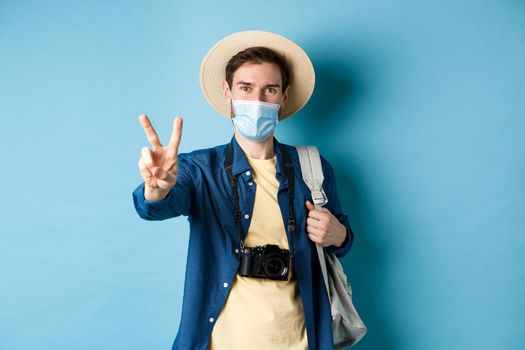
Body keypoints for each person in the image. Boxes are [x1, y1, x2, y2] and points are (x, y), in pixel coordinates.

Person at [132, 30, 355, 350]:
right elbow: (155, 205)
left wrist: (338, 235)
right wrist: (157, 188)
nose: (257, 101)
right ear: (228, 91)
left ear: (284, 95)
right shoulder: (198, 169)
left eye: (270, 90)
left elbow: (344, 238)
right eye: (246, 88)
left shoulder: (313, 169)